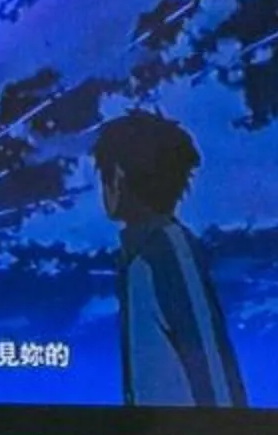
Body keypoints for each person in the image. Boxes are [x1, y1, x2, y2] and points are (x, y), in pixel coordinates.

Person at [94, 112, 246, 407]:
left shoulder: (169, 250)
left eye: (104, 178)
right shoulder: (140, 256)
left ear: (118, 178)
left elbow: (210, 365)